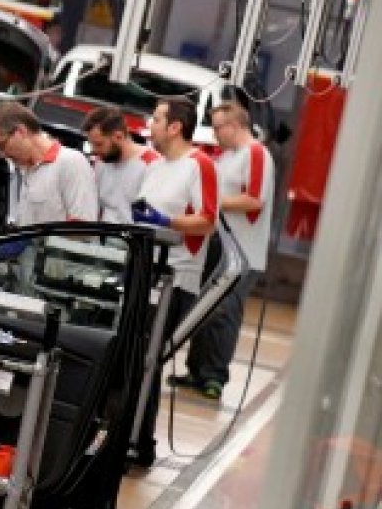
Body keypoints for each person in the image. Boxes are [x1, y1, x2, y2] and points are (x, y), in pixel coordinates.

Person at [128, 96, 219, 466]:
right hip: (143, 271)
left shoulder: (199, 165)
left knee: (148, 360)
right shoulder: (156, 165)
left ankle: (139, 442)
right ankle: (127, 433)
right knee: (132, 357)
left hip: (175, 278)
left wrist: (167, 223)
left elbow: (207, 220)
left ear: (175, 126)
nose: (150, 125)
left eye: (156, 119)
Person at [171, 101, 275, 400]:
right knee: (205, 309)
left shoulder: (256, 153)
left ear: (235, 125)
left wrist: (211, 203)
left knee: (225, 312)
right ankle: (196, 370)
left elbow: (254, 200)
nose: (215, 134)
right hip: (220, 248)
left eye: (218, 128)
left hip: (243, 251)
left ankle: (214, 375)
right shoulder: (227, 156)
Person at [0, 100, 98, 226]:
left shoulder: (71, 162)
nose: (2, 154)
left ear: (21, 131)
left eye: (2, 145)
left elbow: (83, 227)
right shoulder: (25, 171)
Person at [82, 105, 160, 224]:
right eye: (91, 144)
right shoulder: (101, 162)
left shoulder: (152, 165)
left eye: (99, 144)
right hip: (102, 232)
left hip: (134, 234)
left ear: (119, 136)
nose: (94, 150)